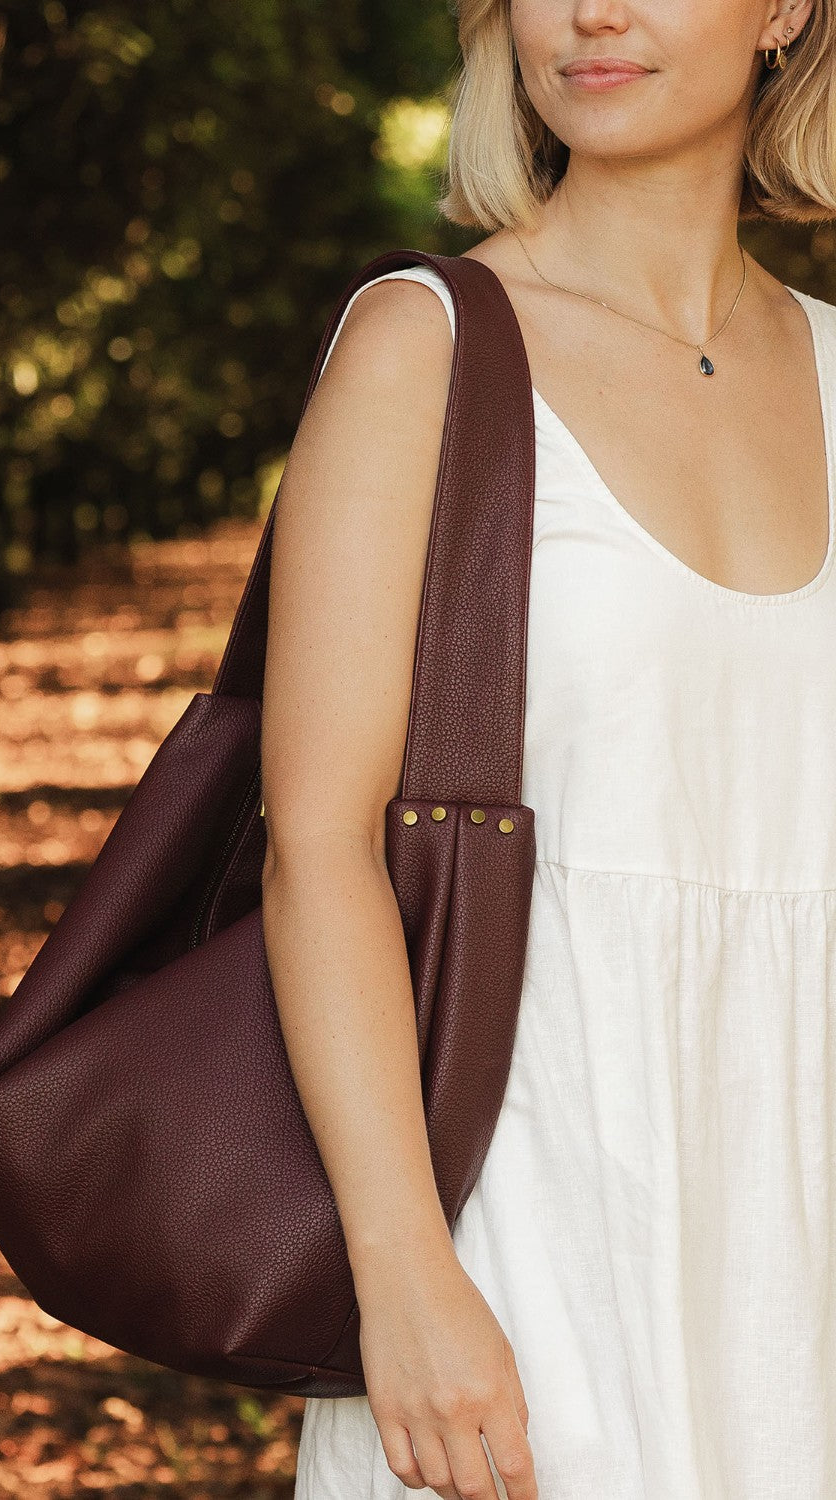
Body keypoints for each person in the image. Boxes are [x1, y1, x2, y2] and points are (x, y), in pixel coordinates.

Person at [259, 2, 836, 1496]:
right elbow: (318, 844)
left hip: (800, 1216)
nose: (589, 10)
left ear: (784, 11)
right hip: (525, 1206)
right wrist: (406, 1281)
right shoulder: (425, 347)